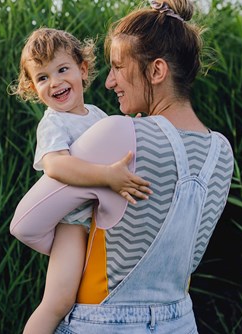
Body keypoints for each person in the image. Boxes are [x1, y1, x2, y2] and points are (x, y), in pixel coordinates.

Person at [11, 0, 235, 333]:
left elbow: (24, 225)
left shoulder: (118, 133)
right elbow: (187, 258)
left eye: (118, 67)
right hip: (179, 321)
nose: (109, 81)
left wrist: (73, 246)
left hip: (105, 321)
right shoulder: (221, 152)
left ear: (156, 70)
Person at [10, 28, 153, 334]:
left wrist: (137, 130)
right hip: (74, 225)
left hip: (101, 224)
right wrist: (107, 177)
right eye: (43, 77)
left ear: (82, 69)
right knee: (58, 302)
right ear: (34, 89)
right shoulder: (53, 122)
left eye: (62, 69)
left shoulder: (98, 114)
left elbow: (114, 145)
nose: (56, 82)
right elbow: (57, 166)